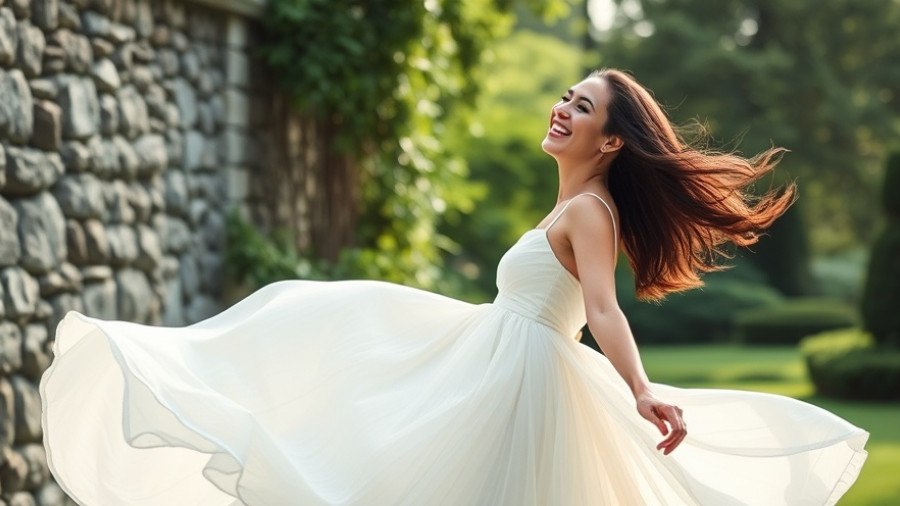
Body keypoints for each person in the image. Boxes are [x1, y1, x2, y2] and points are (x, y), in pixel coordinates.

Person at [41, 69, 867, 505]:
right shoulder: (576, 204)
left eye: (579, 107)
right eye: (565, 97)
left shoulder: (590, 210)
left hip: (519, 381)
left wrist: (643, 389)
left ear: (611, 139)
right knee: (312, 314)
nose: (560, 110)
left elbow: (603, 310)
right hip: (498, 359)